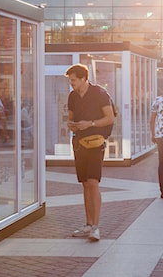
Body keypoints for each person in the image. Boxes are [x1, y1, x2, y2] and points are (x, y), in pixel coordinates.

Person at [66, 63, 114, 241]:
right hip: (79, 143)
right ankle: (88, 224)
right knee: (85, 183)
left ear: (84, 78)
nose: (71, 83)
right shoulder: (72, 96)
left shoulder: (99, 93)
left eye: (73, 80)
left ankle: (95, 226)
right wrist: (72, 125)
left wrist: (90, 124)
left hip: (96, 143)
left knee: (93, 182)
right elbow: (70, 118)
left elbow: (109, 118)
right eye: (70, 80)